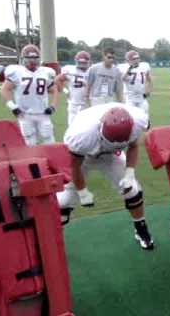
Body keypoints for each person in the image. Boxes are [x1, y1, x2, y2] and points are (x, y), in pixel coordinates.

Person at [56, 104, 154, 250]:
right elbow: (75, 166)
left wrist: (129, 173)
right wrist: (82, 192)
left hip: (111, 155)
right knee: (63, 201)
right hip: (84, 155)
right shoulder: (81, 134)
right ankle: (54, 240)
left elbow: (133, 146)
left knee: (132, 191)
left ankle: (141, 229)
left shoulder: (138, 120)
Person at [0, 44, 58, 146]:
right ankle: (34, 161)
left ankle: (52, 161)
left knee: (49, 140)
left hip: (43, 113)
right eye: (29, 58)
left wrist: (53, 106)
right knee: (29, 142)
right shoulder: (17, 72)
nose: (32, 61)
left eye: (35, 58)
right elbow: (4, 89)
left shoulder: (45, 72)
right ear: (23, 59)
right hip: (24, 114)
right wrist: (13, 106)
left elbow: (54, 90)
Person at [55, 51, 91, 126]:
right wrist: (65, 91)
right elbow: (57, 79)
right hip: (74, 104)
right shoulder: (71, 70)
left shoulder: (91, 71)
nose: (82, 64)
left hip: (87, 104)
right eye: (81, 62)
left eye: (84, 62)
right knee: (72, 127)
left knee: (86, 127)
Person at [119, 50, 153, 116]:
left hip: (141, 97)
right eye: (134, 59)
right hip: (130, 98)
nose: (136, 60)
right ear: (128, 61)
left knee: (145, 117)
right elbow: (122, 79)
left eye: (137, 58)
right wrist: (129, 70)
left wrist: (148, 90)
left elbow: (149, 79)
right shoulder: (124, 68)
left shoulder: (144, 66)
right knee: (131, 117)